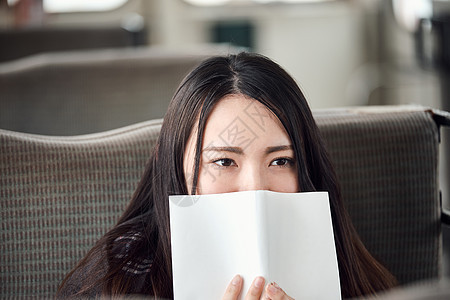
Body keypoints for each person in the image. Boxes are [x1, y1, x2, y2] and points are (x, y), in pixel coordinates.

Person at [57, 52, 397, 299]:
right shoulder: (120, 282)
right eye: (223, 161)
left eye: (280, 161)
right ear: (175, 167)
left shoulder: (351, 270)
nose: (254, 188)